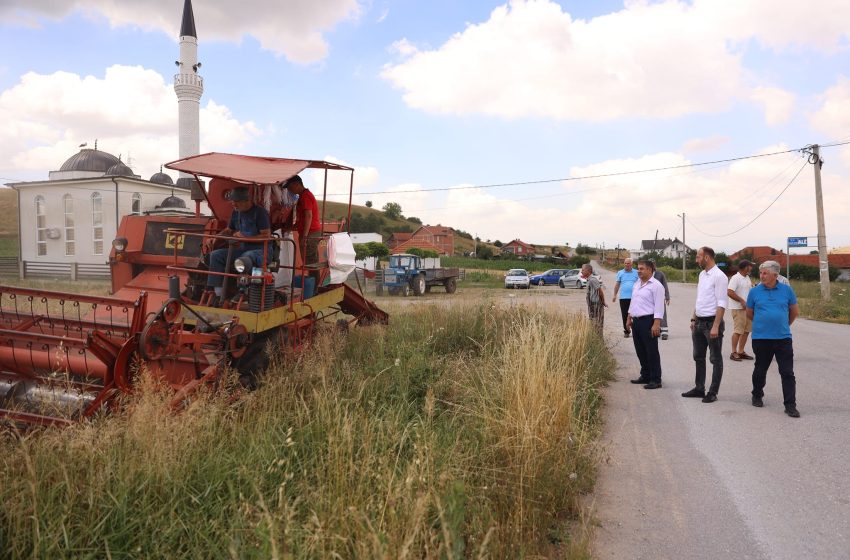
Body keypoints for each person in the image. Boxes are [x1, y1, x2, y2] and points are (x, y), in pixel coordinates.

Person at [746, 260, 800, 418]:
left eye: (765, 273)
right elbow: (749, 313)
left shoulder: (787, 290)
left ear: (776, 275)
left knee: (787, 373)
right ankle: (757, 394)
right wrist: (764, 323)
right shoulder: (754, 292)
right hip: (761, 338)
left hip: (783, 338)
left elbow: (794, 312)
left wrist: (783, 324)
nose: (761, 276)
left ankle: (790, 405)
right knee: (760, 369)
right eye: (761, 272)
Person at [205, 186, 271, 303]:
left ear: (247, 201)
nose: (233, 204)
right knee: (215, 255)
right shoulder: (236, 213)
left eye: (236, 202)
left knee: (244, 259)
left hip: (260, 251)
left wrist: (246, 238)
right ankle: (218, 293)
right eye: (232, 201)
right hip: (242, 249)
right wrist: (215, 238)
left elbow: (266, 235)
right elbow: (229, 230)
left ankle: (243, 292)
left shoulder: (260, 213)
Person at [682, 246, 727, 403]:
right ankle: (699, 388)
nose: (696, 260)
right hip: (699, 322)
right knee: (698, 356)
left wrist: (715, 326)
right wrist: (694, 319)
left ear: (707, 257)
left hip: (711, 323)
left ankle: (712, 392)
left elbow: (721, 303)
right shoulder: (702, 274)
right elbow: (700, 299)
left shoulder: (719, 276)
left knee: (715, 359)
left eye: (698, 257)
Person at [626, 259, 666, 389]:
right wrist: (629, 317)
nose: (639, 271)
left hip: (649, 321)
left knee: (651, 351)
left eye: (642, 268)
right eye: (638, 268)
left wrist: (656, 324)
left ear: (650, 269)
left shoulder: (656, 285)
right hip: (636, 321)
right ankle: (645, 375)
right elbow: (633, 302)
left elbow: (659, 306)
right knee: (640, 350)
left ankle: (656, 379)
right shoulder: (637, 283)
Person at [284, 175, 322, 267]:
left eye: (290, 187)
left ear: (297, 184)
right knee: (309, 262)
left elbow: (308, 216)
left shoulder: (305, 196)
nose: (289, 190)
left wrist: (304, 237)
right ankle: (312, 280)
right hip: (309, 232)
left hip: (310, 232)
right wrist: (290, 228)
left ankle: (313, 281)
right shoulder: (303, 196)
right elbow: (302, 218)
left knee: (310, 263)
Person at [727, 260, 754, 361]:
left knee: (746, 331)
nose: (751, 268)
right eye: (750, 266)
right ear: (746, 267)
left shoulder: (747, 277)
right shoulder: (735, 278)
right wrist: (741, 301)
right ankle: (733, 352)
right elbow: (729, 292)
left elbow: (747, 291)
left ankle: (741, 351)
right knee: (738, 331)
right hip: (738, 309)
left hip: (748, 309)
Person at [613, 258, 639, 338]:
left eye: (628, 263)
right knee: (625, 315)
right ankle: (627, 331)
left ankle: (636, 331)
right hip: (623, 298)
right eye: (625, 263)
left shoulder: (637, 272)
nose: (626, 265)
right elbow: (617, 284)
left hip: (635, 297)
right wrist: (614, 295)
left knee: (635, 315)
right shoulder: (620, 273)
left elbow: (640, 284)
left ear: (632, 264)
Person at [581, 264, 607, 333]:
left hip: (596, 305)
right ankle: (596, 339)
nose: (581, 271)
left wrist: (603, 302)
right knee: (593, 324)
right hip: (592, 306)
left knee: (598, 324)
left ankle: (600, 341)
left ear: (588, 271)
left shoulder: (592, 280)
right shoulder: (589, 280)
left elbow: (600, 291)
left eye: (583, 270)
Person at [652, 265, 671, 340]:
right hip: (650, 298)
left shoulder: (660, 274)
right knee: (652, 315)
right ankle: (656, 330)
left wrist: (667, 297)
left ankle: (664, 332)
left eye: (653, 264)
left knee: (662, 314)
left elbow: (665, 285)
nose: (652, 266)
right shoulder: (647, 274)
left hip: (660, 297)